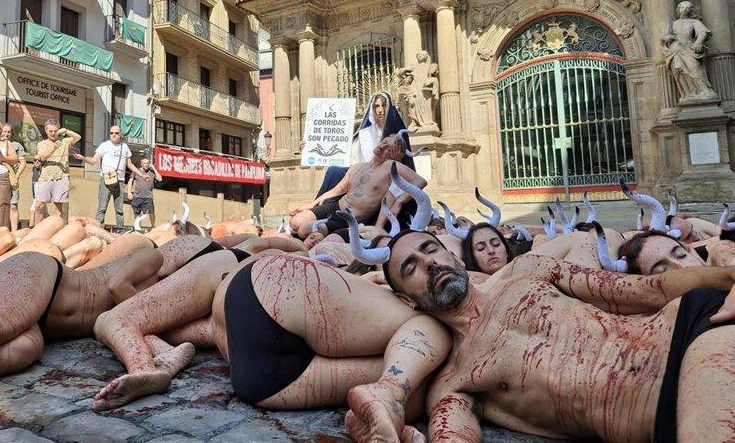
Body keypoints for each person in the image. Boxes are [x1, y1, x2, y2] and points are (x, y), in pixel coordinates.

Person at [349, 226, 735, 442]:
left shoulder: (529, 269)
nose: (430, 265)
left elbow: (644, 292)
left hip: (695, 328)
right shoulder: (453, 383)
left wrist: (728, 278)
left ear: (451, 255)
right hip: (659, 411)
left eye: (430, 250)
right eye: (411, 268)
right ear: (409, 300)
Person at [91, 250, 451, 419]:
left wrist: (146, 363)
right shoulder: (197, 320)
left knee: (113, 319)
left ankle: (146, 369)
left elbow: (115, 318)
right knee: (421, 375)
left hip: (256, 344)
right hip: (258, 338)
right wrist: (166, 355)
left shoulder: (212, 263)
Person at [0, 247, 163, 405]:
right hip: (40, 276)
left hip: (43, 314)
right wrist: (151, 323)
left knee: (22, 351)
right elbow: (116, 286)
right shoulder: (155, 258)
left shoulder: (168, 298)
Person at [289, 135, 426, 237]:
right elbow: (336, 191)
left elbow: (420, 181)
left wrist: (400, 201)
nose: (382, 147)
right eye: (384, 142)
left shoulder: (390, 166)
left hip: (351, 217)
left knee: (303, 230)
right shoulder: (357, 167)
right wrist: (308, 205)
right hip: (335, 206)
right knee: (294, 222)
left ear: (394, 154)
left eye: (388, 148)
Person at [74, 126, 144, 231]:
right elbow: (94, 160)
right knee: (102, 207)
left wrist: (141, 175)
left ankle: (120, 230)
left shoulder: (124, 147)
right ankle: (97, 229)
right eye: (111, 133)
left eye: (116, 133)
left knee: (119, 209)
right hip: (105, 180)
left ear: (120, 134)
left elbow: (129, 164)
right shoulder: (104, 145)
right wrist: (83, 158)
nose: (113, 135)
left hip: (119, 181)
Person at [34, 120, 81, 224]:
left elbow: (78, 137)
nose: (53, 133)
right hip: (45, 176)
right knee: (39, 205)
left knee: (58, 207)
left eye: (55, 131)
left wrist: (66, 130)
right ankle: (36, 231)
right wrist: (53, 148)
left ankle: (55, 230)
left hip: (61, 176)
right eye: (50, 131)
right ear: (46, 131)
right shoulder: (42, 144)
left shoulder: (64, 141)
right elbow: (41, 157)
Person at [1, 123, 27, 230]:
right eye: (4, 131)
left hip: (12, 179)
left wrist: (16, 176)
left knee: (13, 206)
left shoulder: (17, 145)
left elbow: (23, 162)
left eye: (8, 132)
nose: (6, 134)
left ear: (11, 134)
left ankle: (14, 231)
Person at [127, 157, 162, 227]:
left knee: (151, 213)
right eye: (144, 163)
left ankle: (152, 226)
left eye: (147, 163)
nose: (146, 165)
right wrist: (129, 192)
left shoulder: (152, 172)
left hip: (148, 197)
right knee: (136, 214)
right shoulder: (136, 171)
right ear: (141, 164)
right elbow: (130, 181)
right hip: (137, 196)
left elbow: (160, 179)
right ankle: (136, 227)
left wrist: (154, 169)